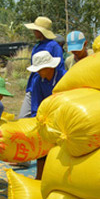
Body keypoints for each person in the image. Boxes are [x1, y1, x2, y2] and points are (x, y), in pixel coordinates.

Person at [27, 50, 65, 179]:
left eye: (39, 69)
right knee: (42, 148)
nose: (37, 72)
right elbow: (36, 104)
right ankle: (39, 178)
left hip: (63, 117)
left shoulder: (63, 77)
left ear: (49, 68)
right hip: (46, 119)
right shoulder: (38, 81)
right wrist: (36, 120)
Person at [19, 16, 65, 118]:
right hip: (34, 86)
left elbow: (59, 68)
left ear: (41, 31)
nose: (33, 31)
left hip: (51, 87)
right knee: (24, 117)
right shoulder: (37, 46)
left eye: (36, 29)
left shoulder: (54, 47)